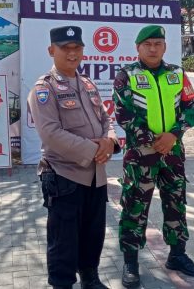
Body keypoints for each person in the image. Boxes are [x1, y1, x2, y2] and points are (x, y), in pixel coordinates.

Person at [27, 25, 121, 289]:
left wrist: (110, 141)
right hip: (64, 176)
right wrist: (95, 150)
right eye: (65, 48)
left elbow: (105, 119)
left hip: (96, 177)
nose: (72, 54)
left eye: (77, 48)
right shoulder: (44, 88)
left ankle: (90, 278)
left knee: (93, 235)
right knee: (63, 240)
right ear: (51, 50)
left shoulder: (88, 84)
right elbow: (51, 134)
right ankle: (62, 284)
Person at [113, 25, 194, 288]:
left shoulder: (177, 73)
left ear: (164, 47)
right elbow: (124, 115)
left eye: (158, 44)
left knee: (176, 202)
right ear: (138, 47)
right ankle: (131, 261)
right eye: (147, 44)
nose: (153, 48)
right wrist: (154, 141)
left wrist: (173, 135)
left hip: (173, 152)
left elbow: (193, 107)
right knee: (134, 206)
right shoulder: (126, 75)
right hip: (141, 155)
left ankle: (177, 254)